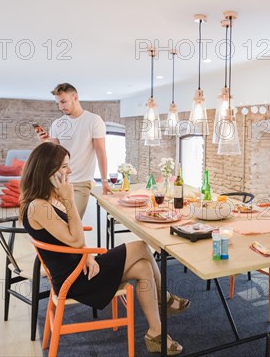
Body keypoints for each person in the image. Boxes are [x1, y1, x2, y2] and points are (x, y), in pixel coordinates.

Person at [20, 142, 188, 355]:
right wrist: (70, 200)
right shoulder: (39, 206)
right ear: (47, 170)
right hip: (74, 280)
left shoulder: (45, 200)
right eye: (64, 166)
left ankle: (156, 333)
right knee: (141, 246)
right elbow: (75, 239)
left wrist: (87, 255)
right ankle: (164, 298)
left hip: (81, 265)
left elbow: (71, 239)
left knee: (144, 267)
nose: (69, 171)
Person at [36, 83, 111, 219]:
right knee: (55, 222)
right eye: (58, 103)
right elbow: (55, 154)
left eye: (64, 102)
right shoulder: (57, 124)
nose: (61, 107)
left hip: (81, 182)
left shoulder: (94, 120)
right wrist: (45, 142)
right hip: (57, 181)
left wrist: (105, 180)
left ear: (75, 97)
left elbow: (101, 152)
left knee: (71, 221)